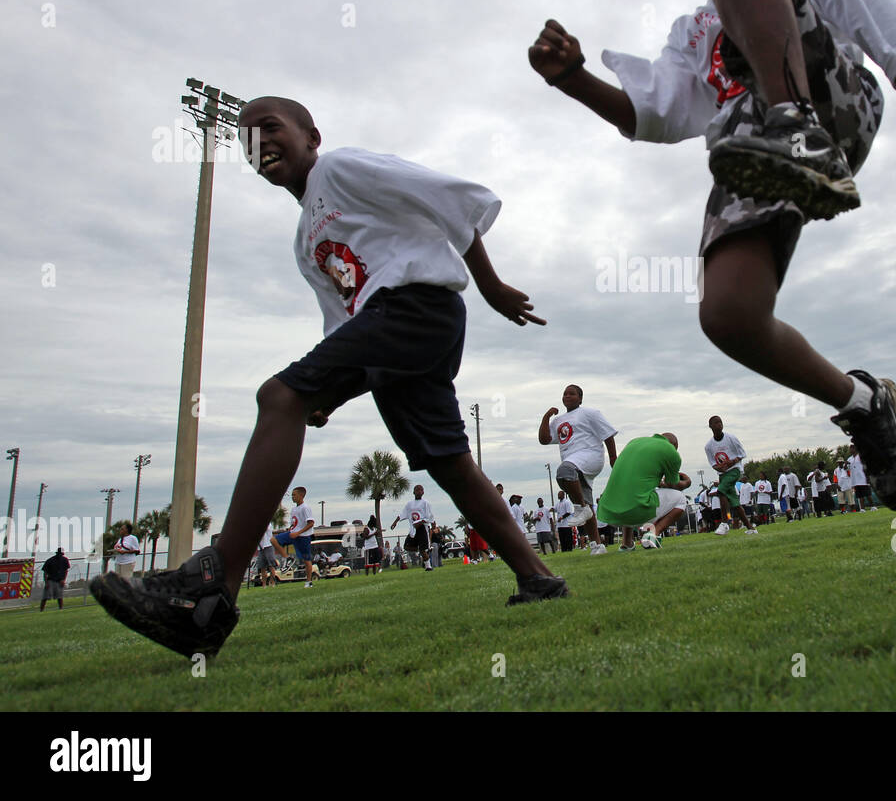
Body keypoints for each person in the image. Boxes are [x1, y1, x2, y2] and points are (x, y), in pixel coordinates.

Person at [528, 0, 896, 512]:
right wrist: (573, 79)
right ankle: (864, 406)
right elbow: (652, 115)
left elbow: (894, 42)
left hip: (829, 102)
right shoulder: (691, 33)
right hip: (751, 145)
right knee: (728, 317)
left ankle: (793, 123)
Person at [91, 96, 566, 661]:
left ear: (311, 136)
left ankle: (211, 587)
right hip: (389, 330)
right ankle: (539, 578)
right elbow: (344, 321)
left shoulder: (338, 168)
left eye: (269, 128)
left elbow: (446, 199)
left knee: (277, 396)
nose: (257, 143)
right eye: (245, 140)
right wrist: (331, 395)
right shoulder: (303, 241)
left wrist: (488, 284)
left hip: (418, 307)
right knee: (447, 460)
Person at [538, 385, 618, 556]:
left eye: (572, 393)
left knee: (563, 472)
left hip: (590, 456)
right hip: (574, 464)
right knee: (587, 504)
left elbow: (608, 435)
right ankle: (597, 545)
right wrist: (546, 417)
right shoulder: (558, 420)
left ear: (580, 398)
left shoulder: (590, 413)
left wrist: (612, 457)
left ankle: (581, 507)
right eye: (565, 394)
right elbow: (544, 439)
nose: (567, 396)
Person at [596, 433, 692, 550]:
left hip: (608, 513)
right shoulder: (671, 452)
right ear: (674, 445)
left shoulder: (634, 442)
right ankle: (652, 535)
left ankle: (626, 543)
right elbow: (673, 484)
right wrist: (687, 483)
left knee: (632, 491)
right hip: (634, 511)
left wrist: (659, 483)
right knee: (681, 499)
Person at [705, 416, 757, 535]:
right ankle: (750, 528)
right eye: (716, 423)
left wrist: (731, 462)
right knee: (735, 503)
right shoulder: (708, 446)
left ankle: (724, 523)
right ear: (710, 426)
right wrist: (720, 467)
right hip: (723, 474)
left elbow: (742, 454)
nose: (719, 425)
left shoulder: (731, 438)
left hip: (734, 470)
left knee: (721, 490)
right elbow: (713, 464)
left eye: (720, 422)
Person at [272, 486, 317, 586]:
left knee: (306, 560)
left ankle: (308, 581)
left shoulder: (305, 508)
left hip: (303, 536)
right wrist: (290, 529)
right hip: (293, 534)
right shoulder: (294, 509)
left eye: (294, 495)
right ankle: (287, 558)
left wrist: (298, 532)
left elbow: (310, 523)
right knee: (274, 540)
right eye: (292, 495)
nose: (292, 497)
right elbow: (295, 523)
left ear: (301, 496)